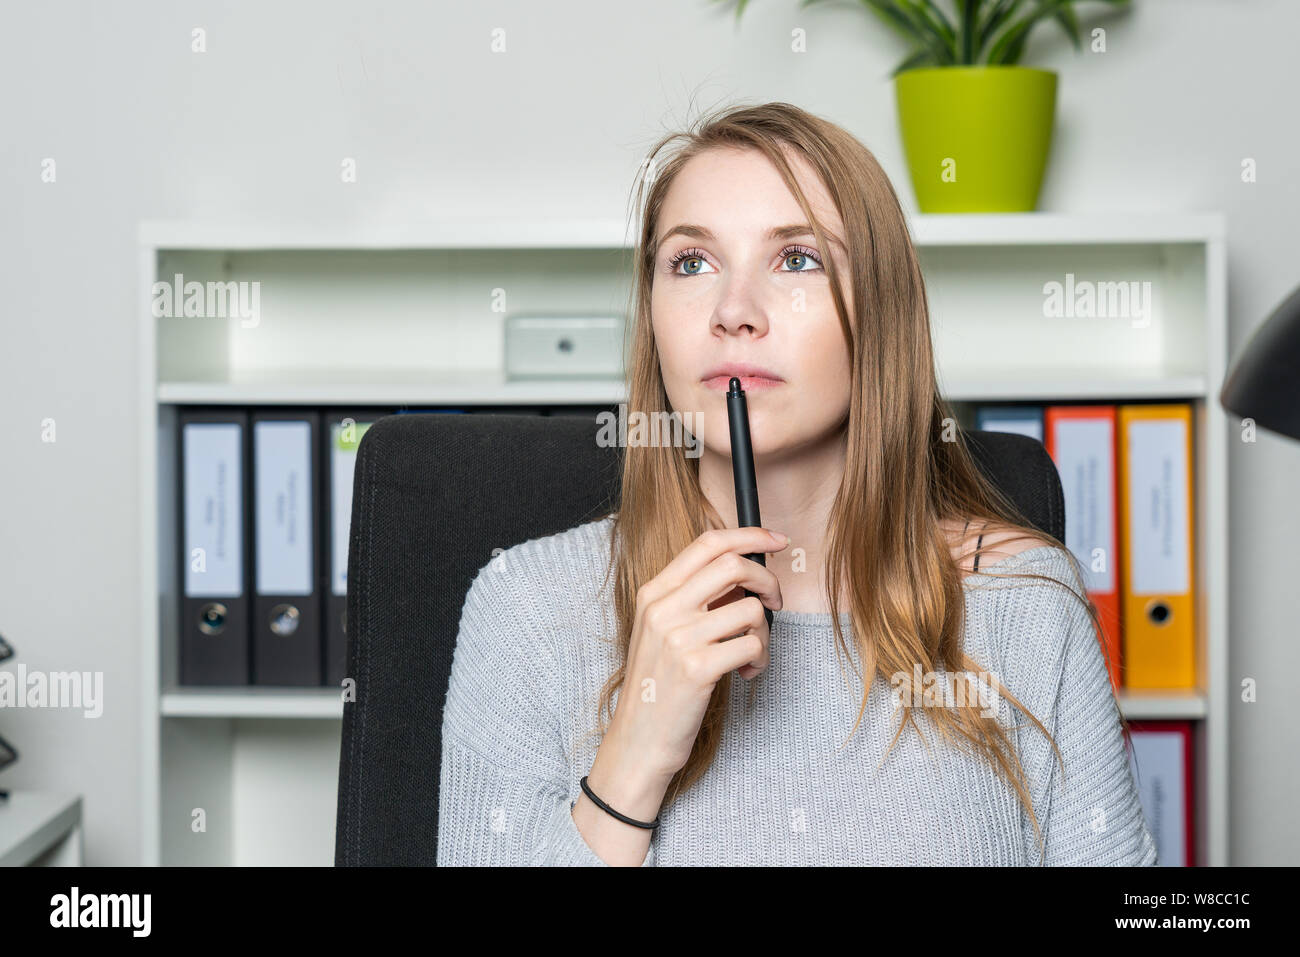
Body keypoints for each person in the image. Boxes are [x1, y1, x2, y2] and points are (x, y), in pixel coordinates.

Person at [436, 101, 1158, 867]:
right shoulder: (524, 608)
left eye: (798, 259)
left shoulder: (1026, 603)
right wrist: (634, 757)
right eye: (691, 262)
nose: (733, 312)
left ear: (881, 314)